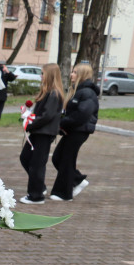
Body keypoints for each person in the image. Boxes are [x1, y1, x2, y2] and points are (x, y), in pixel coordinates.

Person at [49, 63, 98, 201]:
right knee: (58, 157)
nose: (71, 74)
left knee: (66, 160)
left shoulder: (87, 92)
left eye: (75, 72)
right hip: (73, 130)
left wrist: (62, 123)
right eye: (72, 72)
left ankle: (63, 193)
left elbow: (81, 115)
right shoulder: (79, 91)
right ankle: (77, 180)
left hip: (79, 131)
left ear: (82, 75)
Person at [18, 63, 64, 205]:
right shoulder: (47, 92)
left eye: (43, 73)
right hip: (38, 132)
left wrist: (31, 123)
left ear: (49, 75)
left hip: (44, 133)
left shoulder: (54, 94)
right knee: (25, 157)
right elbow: (41, 114)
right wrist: (29, 116)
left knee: (37, 164)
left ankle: (36, 195)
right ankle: (39, 187)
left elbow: (47, 116)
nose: (41, 76)